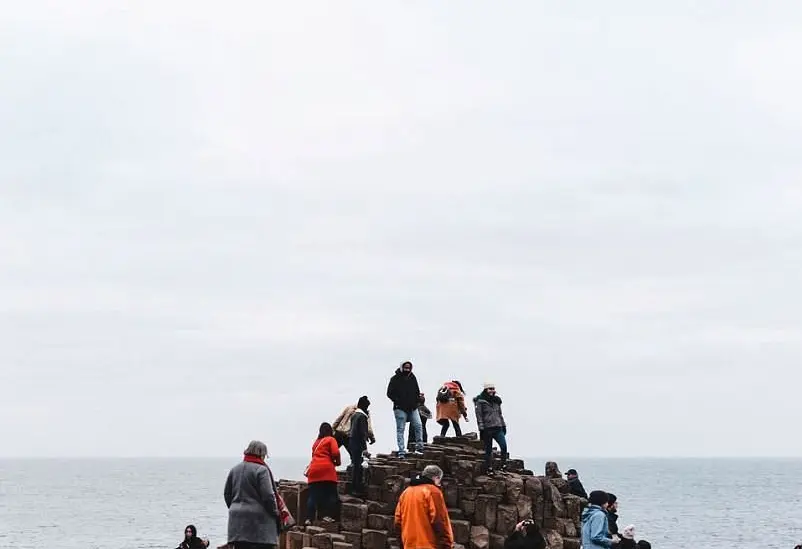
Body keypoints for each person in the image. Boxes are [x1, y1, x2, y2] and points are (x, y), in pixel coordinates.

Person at [224, 440, 279, 549]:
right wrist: (275, 512)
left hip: (236, 523)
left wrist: (234, 507)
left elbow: (227, 494)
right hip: (258, 524)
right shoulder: (261, 470)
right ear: (261, 454)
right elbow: (268, 495)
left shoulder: (235, 469)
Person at [394, 465, 454, 549]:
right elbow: (439, 520)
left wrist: (401, 543)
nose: (439, 484)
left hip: (408, 544)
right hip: (428, 545)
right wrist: (446, 545)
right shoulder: (433, 491)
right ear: (436, 478)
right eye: (439, 481)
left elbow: (397, 521)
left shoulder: (406, 492)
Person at [305, 422, 341, 525]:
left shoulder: (316, 443)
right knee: (330, 494)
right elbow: (335, 453)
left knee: (313, 496)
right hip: (327, 470)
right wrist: (337, 462)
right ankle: (327, 516)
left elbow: (313, 456)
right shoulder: (331, 439)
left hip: (314, 471)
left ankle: (309, 518)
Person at [387, 361, 424, 457]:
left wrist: (417, 400)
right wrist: (398, 401)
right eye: (405, 368)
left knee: (418, 425)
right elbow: (389, 393)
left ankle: (419, 447)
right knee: (400, 429)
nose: (407, 370)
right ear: (401, 368)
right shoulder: (395, 379)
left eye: (409, 368)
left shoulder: (412, 377)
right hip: (400, 408)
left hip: (413, 407)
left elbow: (417, 390)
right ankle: (401, 451)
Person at [474, 382, 508, 475]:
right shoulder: (480, 401)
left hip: (498, 427)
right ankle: (489, 468)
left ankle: (503, 465)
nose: (492, 391)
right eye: (490, 389)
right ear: (486, 390)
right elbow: (479, 415)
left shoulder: (497, 401)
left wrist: (503, 425)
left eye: (493, 388)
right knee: (488, 450)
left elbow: (500, 414)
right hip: (487, 428)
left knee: (504, 446)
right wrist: (481, 427)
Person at [348, 396, 371, 497]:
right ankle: (356, 488)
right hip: (358, 444)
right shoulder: (362, 416)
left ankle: (354, 487)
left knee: (355, 465)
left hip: (352, 442)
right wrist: (365, 448)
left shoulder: (354, 415)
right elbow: (362, 433)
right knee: (358, 466)